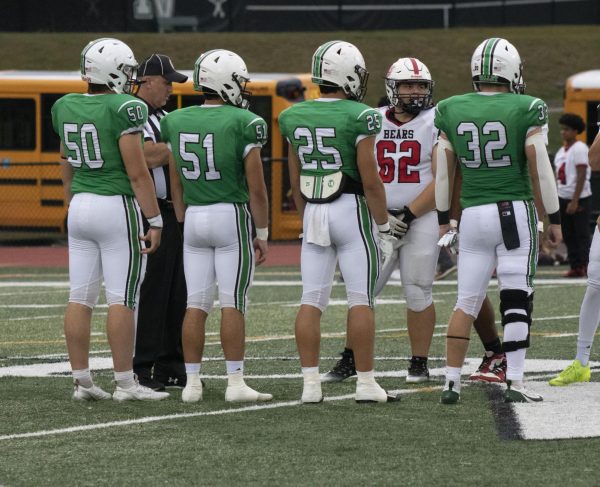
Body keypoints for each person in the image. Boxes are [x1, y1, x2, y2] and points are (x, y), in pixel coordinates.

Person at [322, 58, 506, 385]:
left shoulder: (436, 121)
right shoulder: (372, 120)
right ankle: (351, 357)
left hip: (420, 216)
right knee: (361, 291)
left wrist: (407, 213)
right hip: (379, 217)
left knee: (418, 288)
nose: (415, 91)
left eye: (420, 85)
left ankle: (419, 362)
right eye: (408, 85)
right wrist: (380, 215)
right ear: (392, 87)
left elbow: (444, 176)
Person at [434, 37, 562, 404]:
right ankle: (516, 382)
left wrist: (446, 219)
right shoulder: (527, 107)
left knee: (466, 300)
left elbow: (444, 170)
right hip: (514, 211)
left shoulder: (451, 108)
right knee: (516, 294)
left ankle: (451, 382)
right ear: (513, 72)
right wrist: (552, 216)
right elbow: (539, 166)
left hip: (472, 214)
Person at [279, 40, 398, 404]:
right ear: (346, 75)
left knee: (311, 299)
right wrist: (383, 226)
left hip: (315, 209)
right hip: (350, 208)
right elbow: (371, 179)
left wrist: (306, 214)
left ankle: (310, 385)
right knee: (360, 299)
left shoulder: (293, 115)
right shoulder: (361, 115)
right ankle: (365, 383)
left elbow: (293, 175)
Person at [52, 38, 169, 401]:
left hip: (82, 204)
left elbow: (64, 160)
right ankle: (125, 383)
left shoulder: (65, 105)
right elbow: (137, 174)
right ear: (114, 72)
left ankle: (82, 382)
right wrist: (155, 219)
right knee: (122, 297)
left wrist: (72, 201)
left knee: (80, 297)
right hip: (115, 205)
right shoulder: (126, 108)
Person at [164, 49, 272, 403]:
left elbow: (175, 181)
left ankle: (192, 384)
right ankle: (235, 382)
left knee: (195, 304)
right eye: (240, 81)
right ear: (226, 82)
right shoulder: (244, 122)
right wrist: (262, 232)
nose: (243, 87)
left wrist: (182, 220)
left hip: (194, 216)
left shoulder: (176, 120)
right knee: (232, 303)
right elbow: (256, 188)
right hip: (230, 215)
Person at [133, 54, 189, 391]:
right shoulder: (132, 113)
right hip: (146, 211)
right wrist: (173, 148)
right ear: (147, 81)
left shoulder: (166, 117)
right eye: (166, 82)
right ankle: (141, 365)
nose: (170, 88)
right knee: (151, 291)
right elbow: (144, 155)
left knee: (176, 292)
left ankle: (171, 362)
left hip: (172, 210)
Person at [548, 119, 600, 386]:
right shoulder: (568, 150)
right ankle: (581, 362)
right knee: (594, 287)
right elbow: (596, 160)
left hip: (580, 201)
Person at [554, 113, 591, 278]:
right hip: (563, 195)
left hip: (578, 197)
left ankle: (585, 265)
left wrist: (575, 200)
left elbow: (581, 174)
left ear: (575, 131)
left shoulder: (580, 148)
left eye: (567, 129)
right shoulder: (562, 150)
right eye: (562, 129)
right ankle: (575, 265)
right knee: (568, 234)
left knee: (581, 233)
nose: (563, 132)